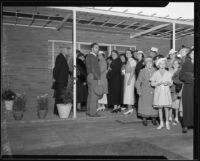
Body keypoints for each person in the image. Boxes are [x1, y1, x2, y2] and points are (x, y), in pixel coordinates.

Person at [150, 58, 173, 130]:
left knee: (166, 108)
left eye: (164, 64)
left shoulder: (168, 73)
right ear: (158, 65)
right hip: (159, 92)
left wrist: (168, 83)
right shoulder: (155, 73)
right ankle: (161, 123)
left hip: (166, 92)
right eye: (161, 64)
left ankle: (167, 123)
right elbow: (152, 83)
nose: (162, 65)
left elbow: (171, 82)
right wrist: (157, 83)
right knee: (160, 108)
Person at [51, 45, 71, 116]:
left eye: (68, 49)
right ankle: (57, 112)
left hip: (62, 80)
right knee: (59, 96)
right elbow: (56, 69)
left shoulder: (63, 57)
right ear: (62, 50)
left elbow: (64, 69)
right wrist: (56, 78)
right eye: (66, 49)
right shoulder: (60, 57)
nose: (68, 51)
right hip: (60, 81)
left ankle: (57, 111)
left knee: (59, 96)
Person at [85, 42, 102, 117]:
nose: (97, 49)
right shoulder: (92, 56)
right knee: (94, 95)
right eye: (96, 47)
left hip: (90, 76)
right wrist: (98, 78)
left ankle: (89, 111)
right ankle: (93, 113)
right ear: (92, 48)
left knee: (90, 95)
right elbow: (93, 69)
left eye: (98, 48)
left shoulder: (89, 56)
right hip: (93, 76)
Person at [179, 48, 194, 133]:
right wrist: (190, 78)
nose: (193, 55)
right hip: (188, 88)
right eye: (192, 53)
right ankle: (185, 125)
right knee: (187, 106)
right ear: (189, 55)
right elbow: (181, 76)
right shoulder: (186, 63)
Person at [168, 58, 183, 125]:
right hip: (170, 88)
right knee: (170, 103)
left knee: (176, 104)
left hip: (177, 89)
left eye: (177, 63)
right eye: (174, 63)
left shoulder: (180, 71)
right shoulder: (170, 70)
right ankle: (170, 117)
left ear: (179, 64)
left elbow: (181, 80)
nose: (175, 64)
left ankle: (176, 118)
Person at [123, 49, 137, 115]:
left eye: (128, 53)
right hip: (127, 76)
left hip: (130, 77)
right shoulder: (128, 60)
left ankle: (130, 108)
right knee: (127, 93)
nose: (127, 54)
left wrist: (129, 80)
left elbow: (133, 71)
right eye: (126, 53)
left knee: (129, 93)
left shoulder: (132, 61)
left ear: (131, 54)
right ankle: (129, 108)